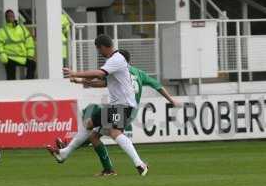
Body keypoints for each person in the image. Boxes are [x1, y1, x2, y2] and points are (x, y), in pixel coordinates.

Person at [49, 49, 180, 176]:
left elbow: (102, 81)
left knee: (107, 131)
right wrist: (171, 100)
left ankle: (66, 150)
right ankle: (107, 168)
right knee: (94, 135)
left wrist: (79, 78)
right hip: (129, 110)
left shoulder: (118, 69)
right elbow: (157, 85)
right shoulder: (139, 73)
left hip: (121, 108)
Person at [51, 35, 149, 176]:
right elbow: (103, 81)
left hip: (122, 106)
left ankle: (139, 163)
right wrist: (80, 81)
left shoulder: (117, 58)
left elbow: (99, 73)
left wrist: (76, 72)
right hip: (122, 106)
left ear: (103, 47)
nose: (99, 53)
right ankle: (136, 165)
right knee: (93, 129)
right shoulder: (114, 61)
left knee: (105, 130)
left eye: (98, 49)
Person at [0, 9, 36, 80]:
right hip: (10, 58)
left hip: (22, 57)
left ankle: (28, 84)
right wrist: (4, 58)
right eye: (9, 16)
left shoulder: (22, 28)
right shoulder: (2, 31)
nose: (11, 17)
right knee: (11, 77)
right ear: (6, 18)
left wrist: (30, 55)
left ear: (14, 17)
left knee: (32, 64)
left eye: (12, 16)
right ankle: (10, 89)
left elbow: (29, 41)